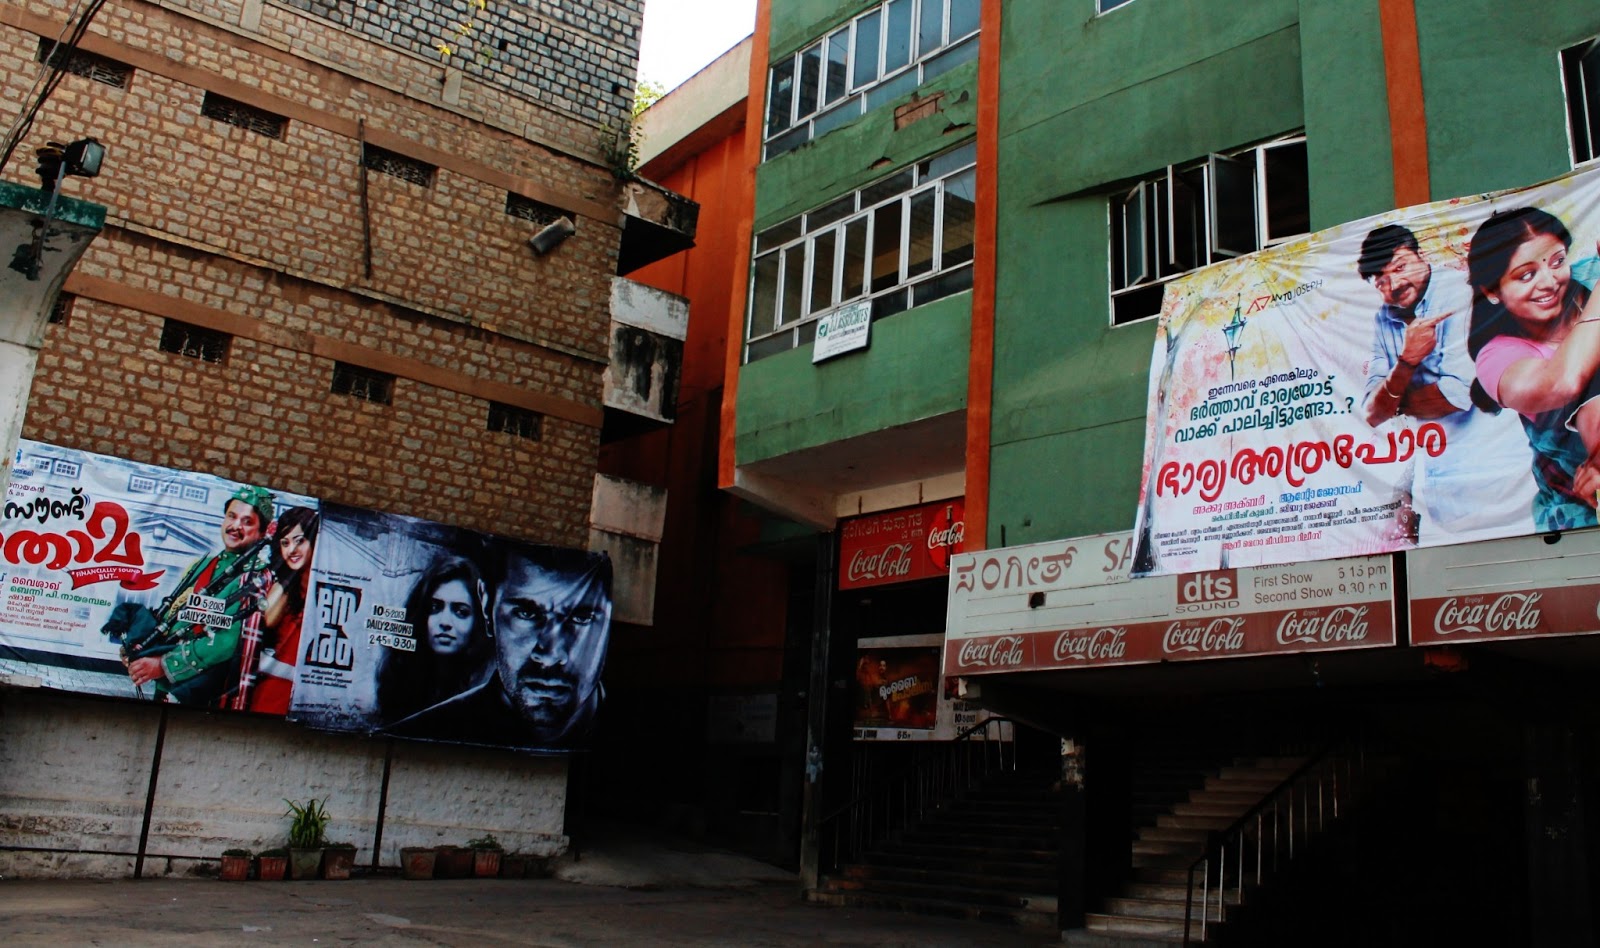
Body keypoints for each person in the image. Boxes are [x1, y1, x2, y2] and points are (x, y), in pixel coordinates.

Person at [1357, 223, 1535, 542]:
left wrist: (1396, 397)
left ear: (1421, 255)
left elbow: (1456, 395)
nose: (1394, 283)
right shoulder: (1384, 317)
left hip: (1501, 488)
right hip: (1437, 501)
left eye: (1400, 266)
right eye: (1381, 279)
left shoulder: (1457, 291)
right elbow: (1372, 412)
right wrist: (1407, 361)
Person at [384, 545, 612, 749]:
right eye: (526, 614)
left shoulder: (637, 743)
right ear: (486, 606)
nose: (551, 655)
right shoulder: (423, 730)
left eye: (581, 618)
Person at [1466, 207, 1600, 532]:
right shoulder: (1497, 357)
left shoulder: (1589, 279)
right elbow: (1566, 382)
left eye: (1557, 261)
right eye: (1526, 275)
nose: (1550, 282)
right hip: (1576, 522)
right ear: (1492, 291)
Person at [120, 485, 274, 707]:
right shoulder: (202, 565)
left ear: (262, 533)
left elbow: (226, 642)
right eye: (231, 516)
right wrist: (140, 649)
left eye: (247, 521)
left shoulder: (256, 577)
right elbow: (176, 615)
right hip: (165, 688)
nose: (235, 526)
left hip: (201, 695)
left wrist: (163, 665)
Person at [374, 554, 493, 723]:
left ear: (478, 622)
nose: (445, 622)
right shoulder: (400, 677)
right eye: (435, 608)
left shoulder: (486, 693)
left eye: (461, 612)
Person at [245, 506, 319, 715]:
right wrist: (286, 578)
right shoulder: (284, 586)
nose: (292, 550)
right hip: (272, 693)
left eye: (299, 540)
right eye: (285, 543)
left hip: (309, 697)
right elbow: (266, 620)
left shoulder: (325, 585)